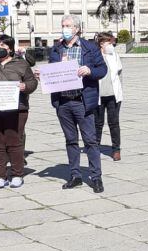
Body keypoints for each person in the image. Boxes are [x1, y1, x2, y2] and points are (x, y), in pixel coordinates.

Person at [44, 15, 107, 193]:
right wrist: (43, 75)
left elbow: (102, 69)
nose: (65, 28)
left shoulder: (89, 47)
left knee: (90, 141)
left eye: (68, 26)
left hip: (83, 101)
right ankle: (75, 175)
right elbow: (52, 70)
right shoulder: (57, 49)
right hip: (63, 102)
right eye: (63, 25)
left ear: (77, 29)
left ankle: (96, 177)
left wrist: (90, 71)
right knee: (71, 140)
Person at [0, 34, 37, 188]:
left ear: (10, 49)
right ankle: (0, 175)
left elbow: (32, 82)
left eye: (3, 46)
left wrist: (25, 87)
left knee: (14, 141)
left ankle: (17, 174)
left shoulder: (21, 64)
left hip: (17, 109)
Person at [95, 31, 124, 160]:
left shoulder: (114, 55)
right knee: (98, 123)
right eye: (109, 42)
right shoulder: (95, 56)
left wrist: (120, 92)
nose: (111, 44)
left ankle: (116, 150)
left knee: (114, 123)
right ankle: (95, 148)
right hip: (99, 96)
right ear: (101, 44)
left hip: (113, 95)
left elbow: (119, 74)